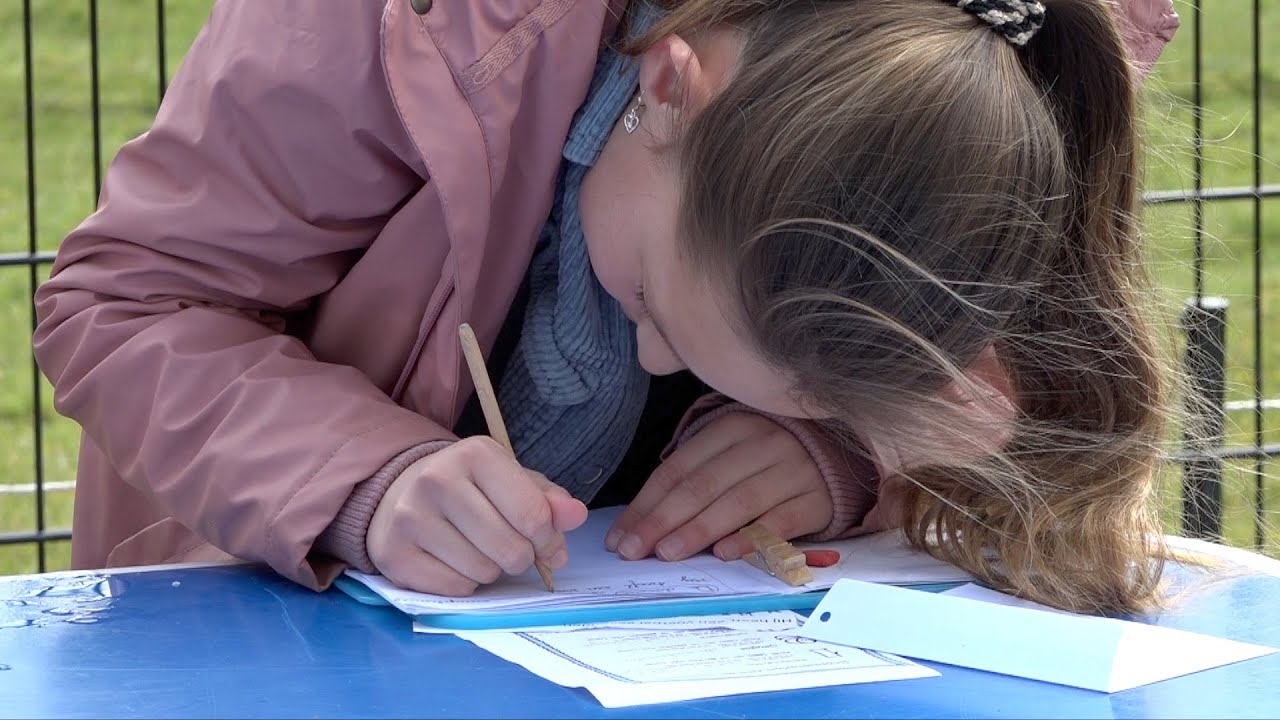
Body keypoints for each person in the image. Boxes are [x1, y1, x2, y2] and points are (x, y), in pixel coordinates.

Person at [33, 0, 1180, 613]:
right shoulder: (394, 17)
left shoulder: (1003, 73)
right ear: (666, 88)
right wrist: (359, 486)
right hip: (275, 620)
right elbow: (131, 300)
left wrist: (833, 451)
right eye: (652, 308)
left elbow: (985, 402)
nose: (646, 350)